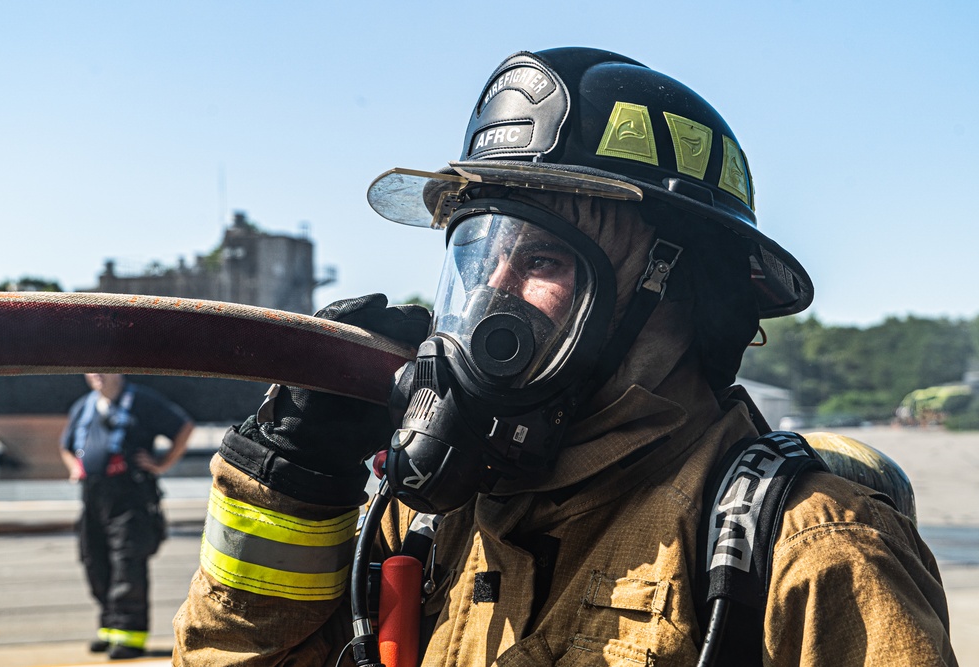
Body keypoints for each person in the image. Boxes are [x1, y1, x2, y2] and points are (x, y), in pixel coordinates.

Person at [173, 48, 957, 665]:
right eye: (478, 259)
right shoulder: (425, 520)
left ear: (677, 295)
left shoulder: (813, 558)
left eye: (542, 260)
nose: (490, 296)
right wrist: (289, 491)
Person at [61, 373, 194, 660]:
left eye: (104, 369)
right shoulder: (84, 406)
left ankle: (130, 635)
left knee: (127, 563)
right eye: (92, 370)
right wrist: (75, 467)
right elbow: (67, 446)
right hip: (93, 496)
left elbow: (183, 427)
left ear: (119, 371)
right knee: (94, 560)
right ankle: (110, 627)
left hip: (130, 495)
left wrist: (161, 464)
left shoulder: (142, 401)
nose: (97, 375)